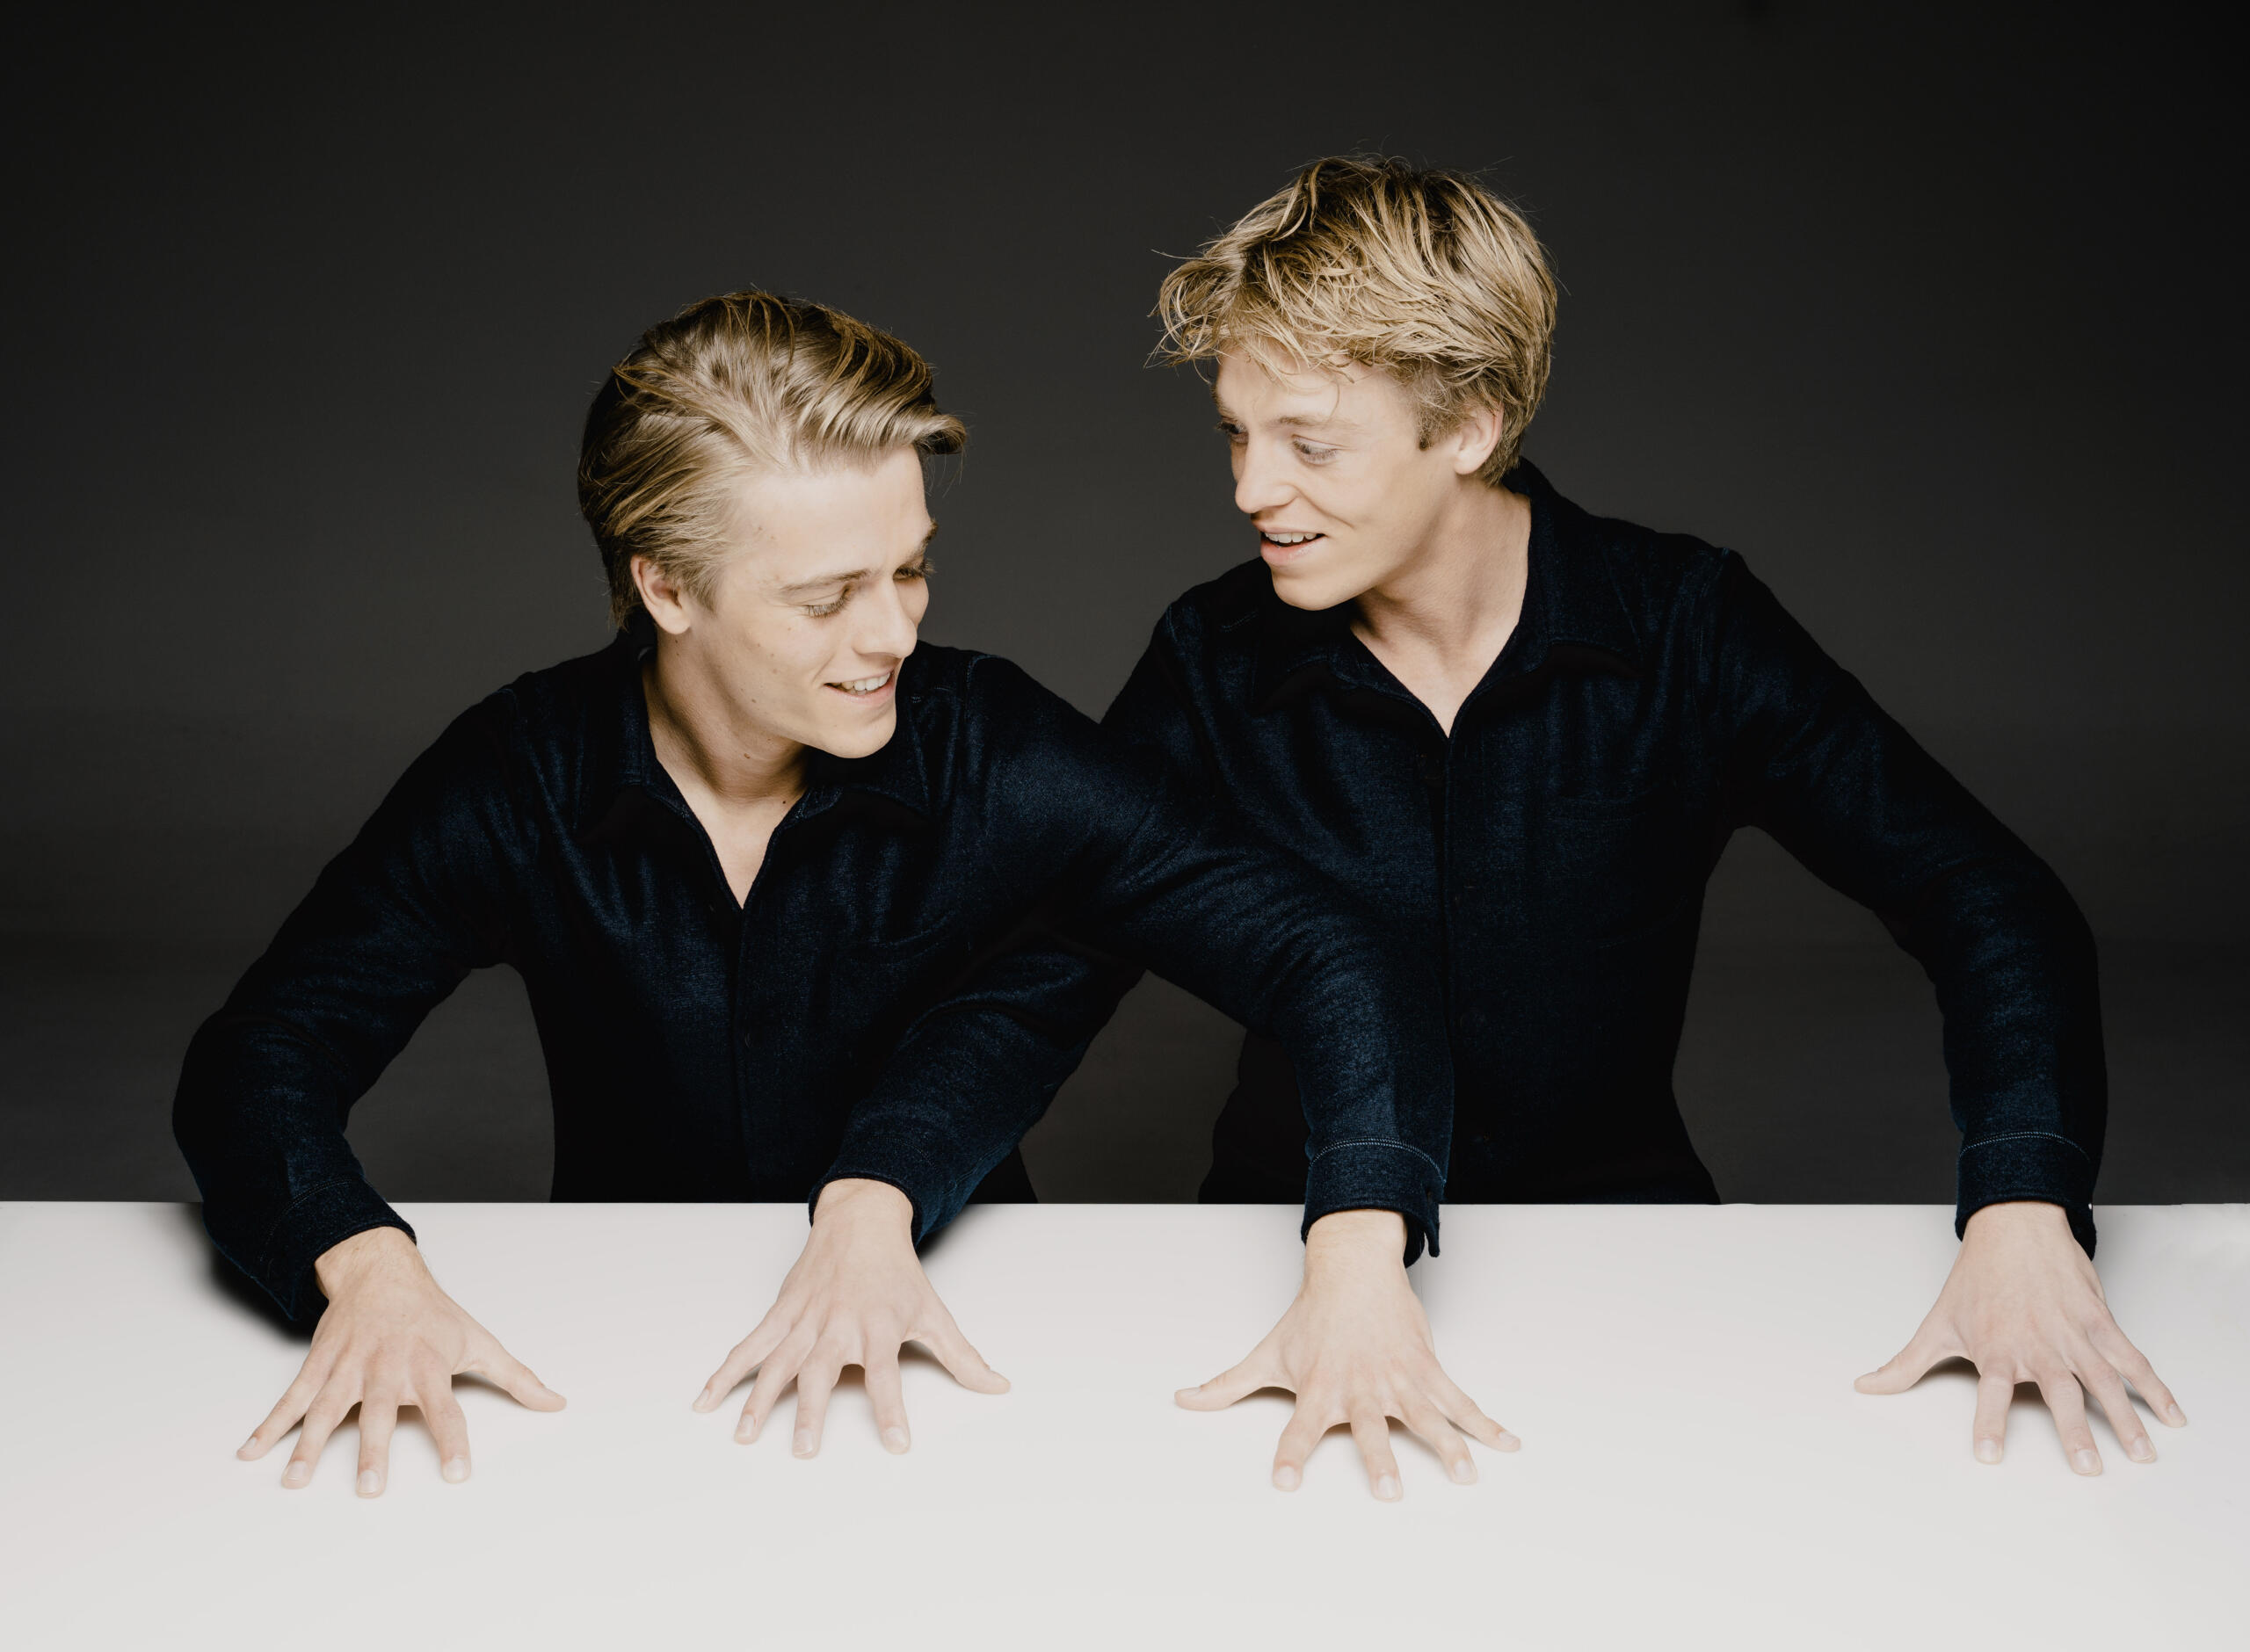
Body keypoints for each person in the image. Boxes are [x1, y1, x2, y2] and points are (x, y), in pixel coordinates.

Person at [174, 289, 1507, 1499]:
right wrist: (362, 1265)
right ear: (666, 585)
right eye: (828, 596)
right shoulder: (520, 776)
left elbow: (1337, 958)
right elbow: (262, 1055)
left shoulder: (1001, 751)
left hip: (965, 1368)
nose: (894, 633)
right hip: (621, 1369)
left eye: (912, 567)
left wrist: (1357, 1256)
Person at [1087, 156, 2183, 1475]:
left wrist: (2023, 1201)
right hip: (1283, 1246)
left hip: (1624, 1249)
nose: (1253, 489)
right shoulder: (1212, 658)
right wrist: (882, 1192)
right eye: (1235, 434)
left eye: (1309, 443)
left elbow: (1984, 895)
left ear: (1473, 428)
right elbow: (1042, 951)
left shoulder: (1683, 628)